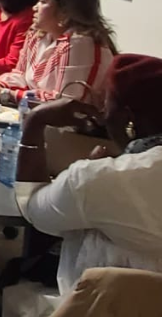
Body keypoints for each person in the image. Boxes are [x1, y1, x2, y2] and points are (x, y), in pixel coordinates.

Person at [15, 54, 162, 295]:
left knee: (14, 280)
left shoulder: (98, 179)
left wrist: (35, 121)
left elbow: (33, 208)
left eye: (106, 103)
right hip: (150, 313)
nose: (103, 113)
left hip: (97, 313)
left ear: (128, 119)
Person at [0, 0, 116, 104]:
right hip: (36, 113)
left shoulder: (80, 43)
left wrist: (7, 93)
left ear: (65, 11)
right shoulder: (38, 34)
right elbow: (20, 74)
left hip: (74, 122)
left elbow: (65, 102)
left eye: (43, 1)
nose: (35, 8)